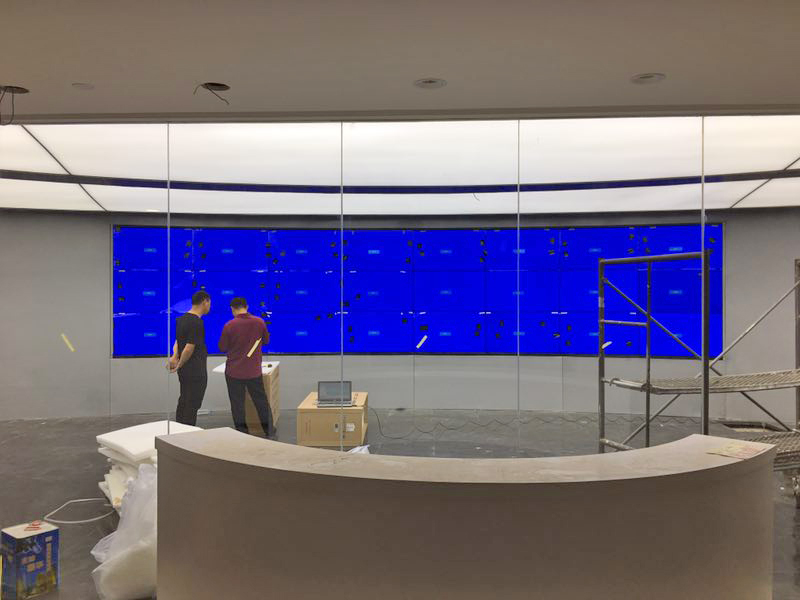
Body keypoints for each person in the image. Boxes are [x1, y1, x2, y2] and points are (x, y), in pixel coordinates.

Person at [218, 297, 272, 437]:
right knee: (261, 402)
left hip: (234, 372)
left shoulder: (229, 325)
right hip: (254, 371)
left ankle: (242, 433)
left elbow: (222, 347)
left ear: (232, 309)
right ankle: (269, 430)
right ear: (246, 306)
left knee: (238, 405)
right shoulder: (259, 322)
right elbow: (266, 341)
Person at [168, 290, 211, 426]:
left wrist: (175, 357)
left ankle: (178, 429)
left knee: (184, 399)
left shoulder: (181, 320)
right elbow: (189, 347)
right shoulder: (197, 322)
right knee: (192, 404)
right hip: (195, 370)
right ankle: (187, 432)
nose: (209, 307)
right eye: (209, 303)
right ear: (205, 302)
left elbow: (177, 342)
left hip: (185, 371)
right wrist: (179, 364)